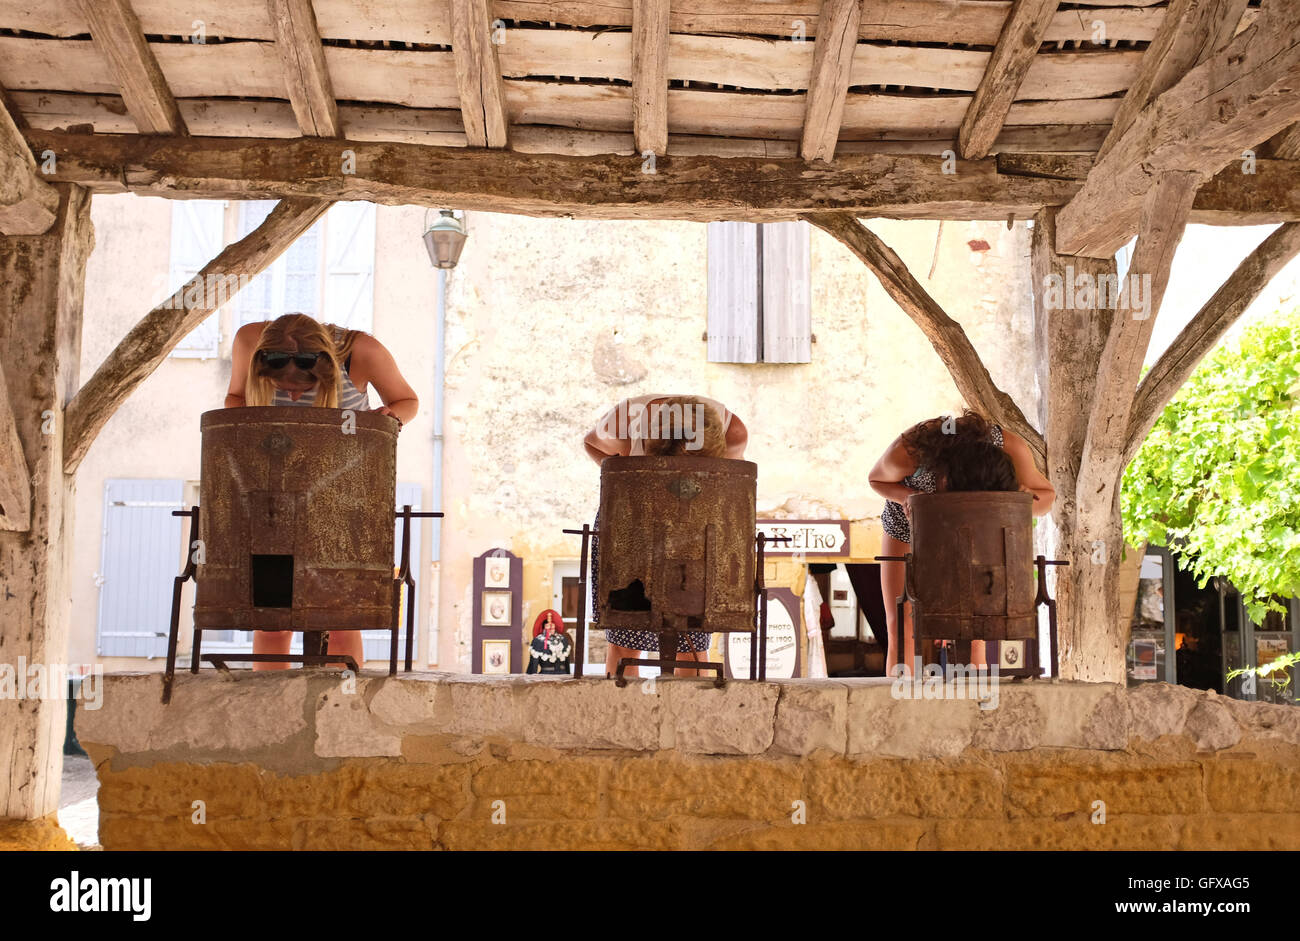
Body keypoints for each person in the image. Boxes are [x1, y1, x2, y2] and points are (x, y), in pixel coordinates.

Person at [225, 312, 420, 671]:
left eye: (304, 388)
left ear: (328, 370)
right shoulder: (249, 341)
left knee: (343, 621)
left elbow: (408, 400)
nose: (294, 394)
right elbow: (236, 397)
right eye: (282, 389)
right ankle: (268, 716)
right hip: (272, 506)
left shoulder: (362, 350)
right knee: (272, 622)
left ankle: (340, 714)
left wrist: (391, 416)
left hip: (344, 505)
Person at [869, 410, 1054, 676]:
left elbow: (1047, 497)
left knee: (973, 624)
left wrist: (1023, 497)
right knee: (903, 620)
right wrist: (907, 496)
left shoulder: (1010, 447)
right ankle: (900, 704)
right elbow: (875, 479)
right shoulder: (911, 450)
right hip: (909, 525)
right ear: (943, 475)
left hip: (976, 527)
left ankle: (974, 706)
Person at [583, 394, 749, 678]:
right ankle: (625, 714)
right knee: (626, 634)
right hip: (631, 516)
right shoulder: (622, 423)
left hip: (693, 517)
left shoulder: (733, 432)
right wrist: (624, 476)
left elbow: (725, 489)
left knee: (692, 634)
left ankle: (690, 715)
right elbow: (590, 443)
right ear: (649, 444)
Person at [525, 609, 573, 675]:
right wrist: (532, 678)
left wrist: (568, 677)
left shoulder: (563, 640)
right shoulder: (538, 641)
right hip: (545, 676)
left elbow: (567, 664)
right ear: (544, 627)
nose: (550, 628)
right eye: (548, 626)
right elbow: (533, 665)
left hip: (562, 676)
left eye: (552, 626)